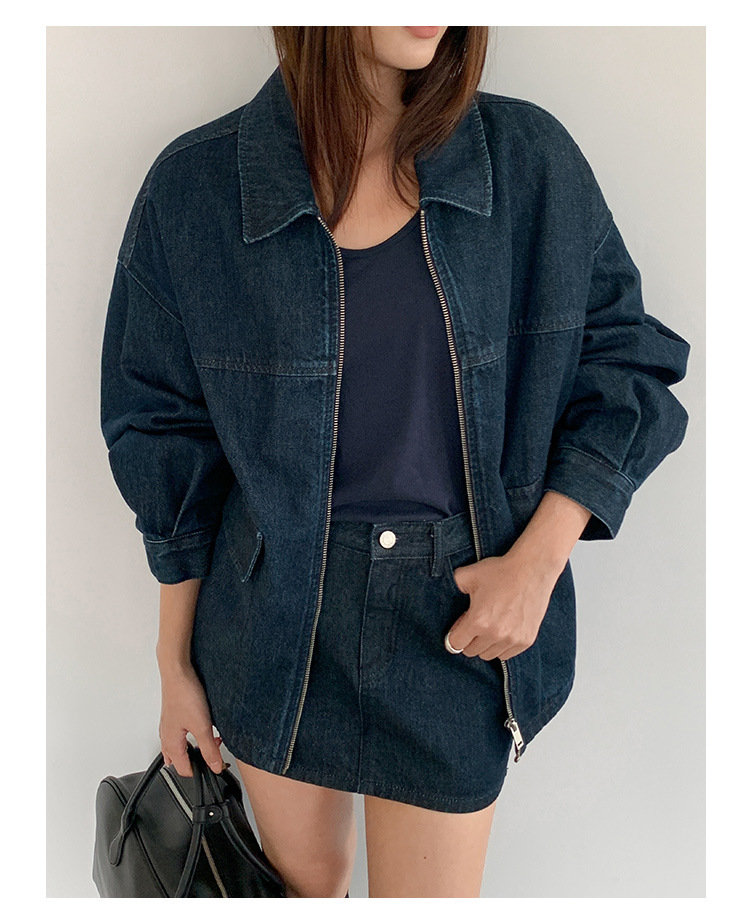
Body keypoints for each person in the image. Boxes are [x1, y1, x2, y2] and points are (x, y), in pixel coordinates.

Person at [99, 26, 691, 898]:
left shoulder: (527, 162)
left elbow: (628, 362)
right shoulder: (197, 187)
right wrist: (173, 664)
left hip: (455, 619)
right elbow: (164, 439)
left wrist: (537, 563)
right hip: (275, 620)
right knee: (301, 893)